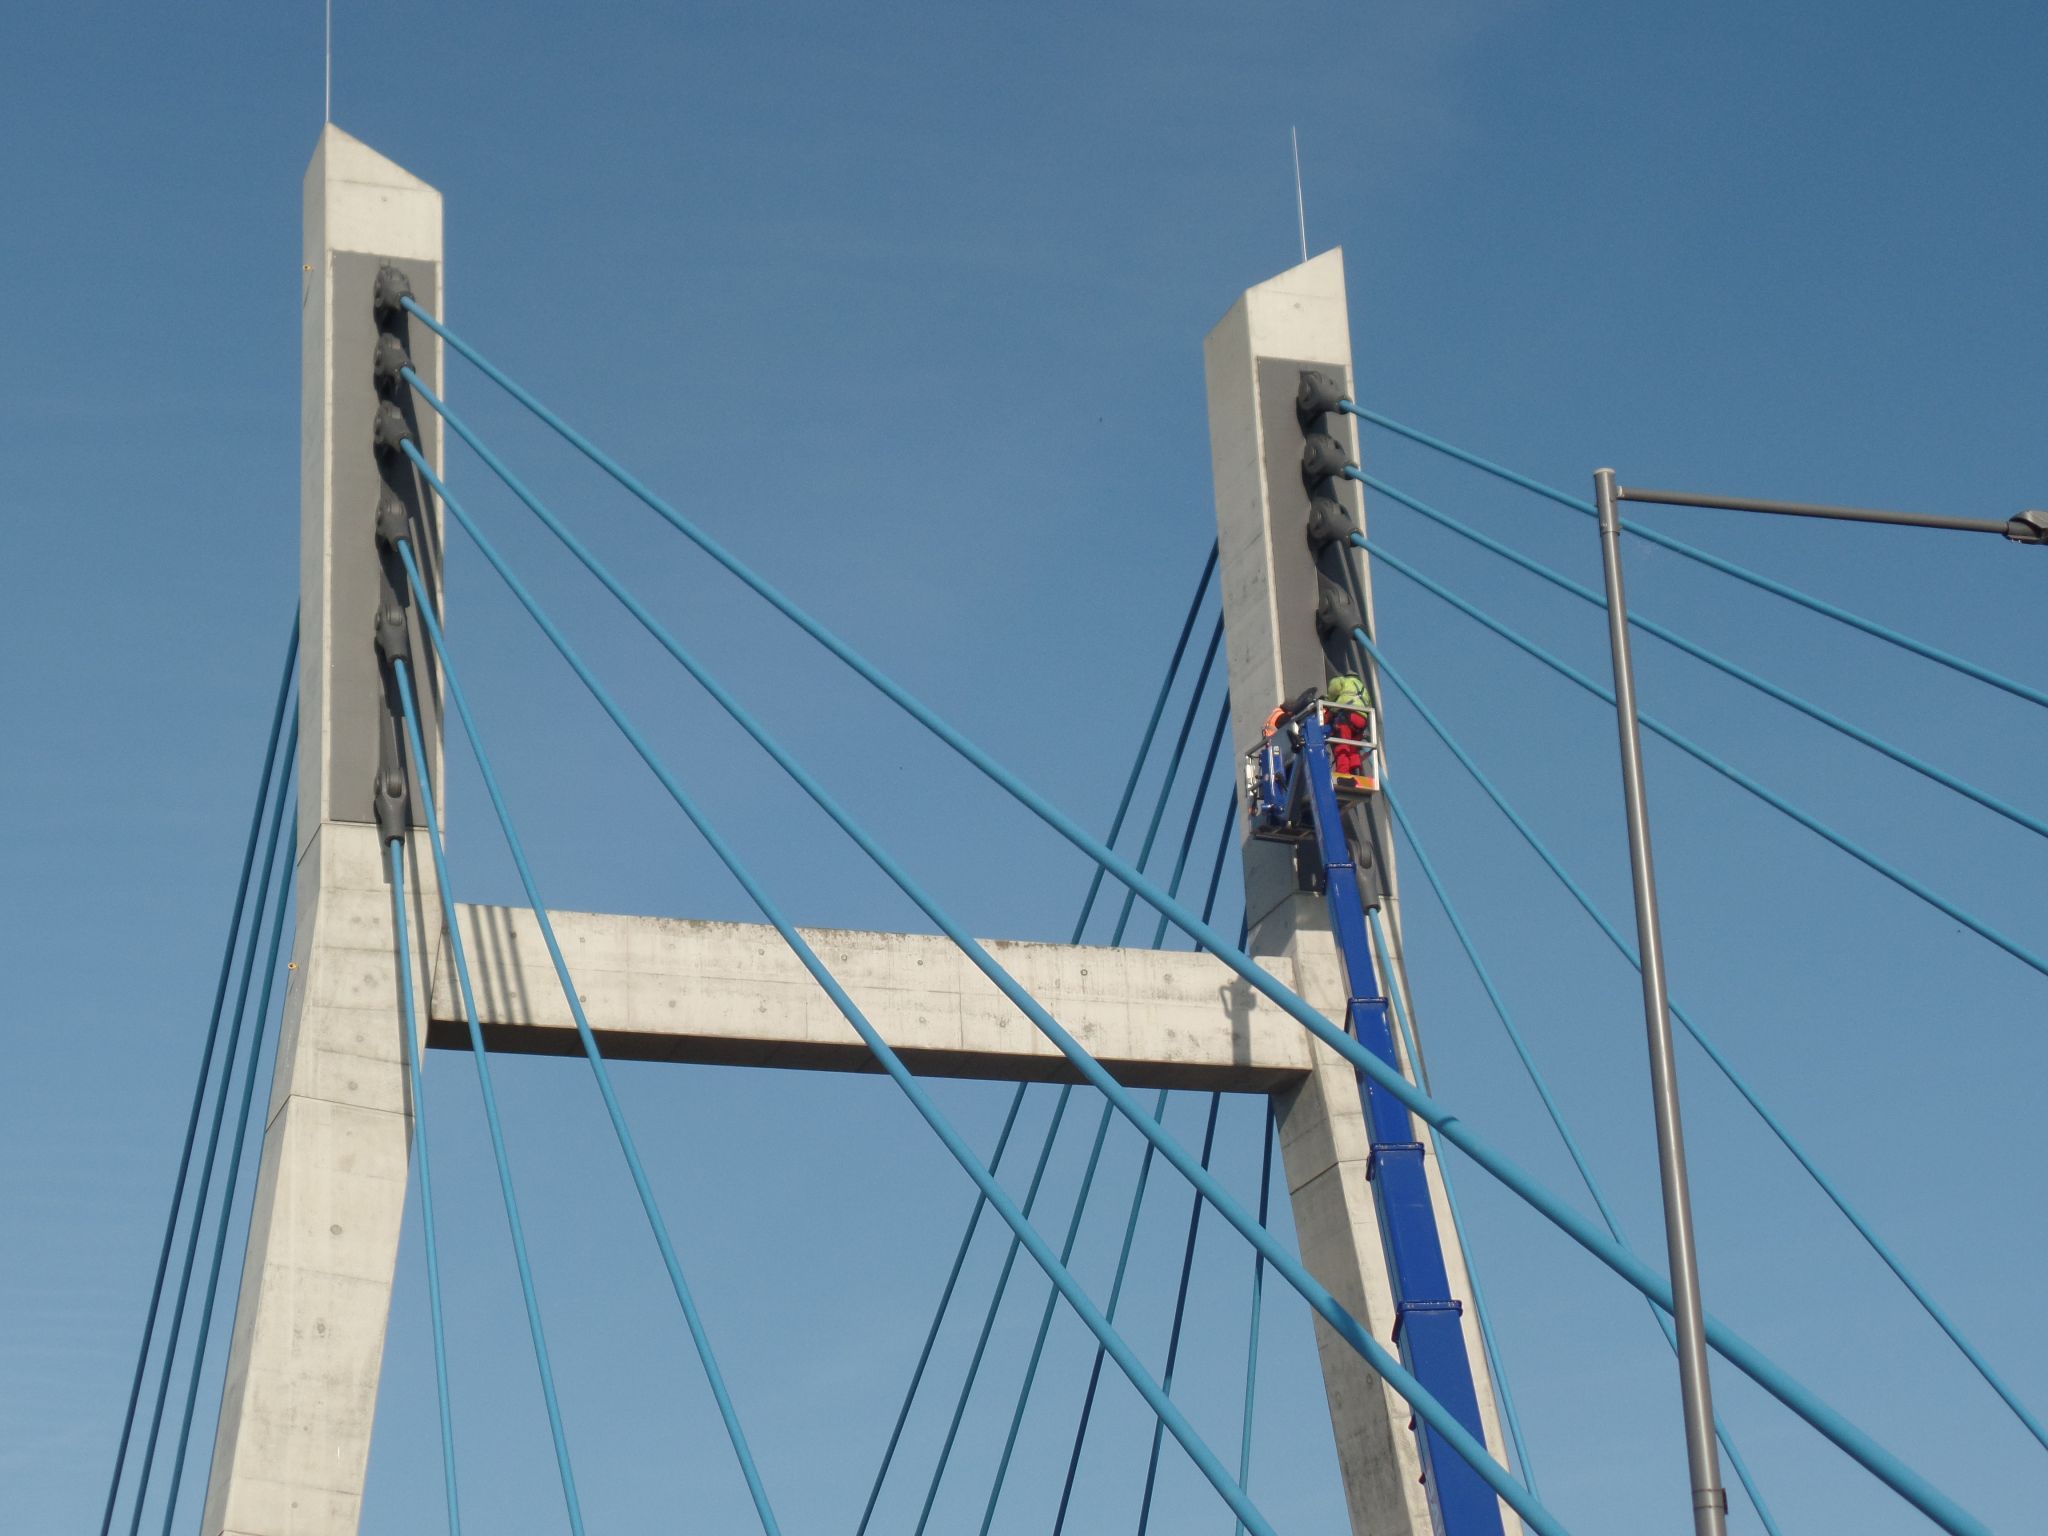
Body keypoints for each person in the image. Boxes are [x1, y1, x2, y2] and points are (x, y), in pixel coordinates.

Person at [1323, 674, 1373, 785]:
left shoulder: (1343, 681)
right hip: (1362, 722)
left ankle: (1343, 773)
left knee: (1342, 747)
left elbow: (1332, 690)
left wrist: (1328, 701)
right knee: (1353, 749)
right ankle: (1355, 773)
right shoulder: (1364, 689)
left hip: (1347, 717)